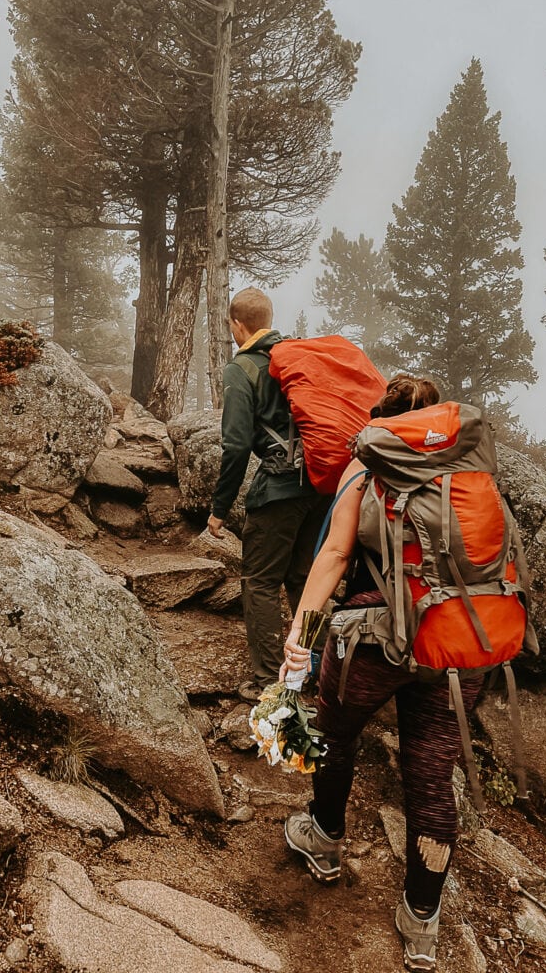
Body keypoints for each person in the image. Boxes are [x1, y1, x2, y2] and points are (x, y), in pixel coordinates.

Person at [280, 374, 486, 973]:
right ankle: (421, 921)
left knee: (333, 732)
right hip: (458, 647)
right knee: (430, 773)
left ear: (383, 421)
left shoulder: (368, 466)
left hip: (373, 641)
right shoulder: (469, 472)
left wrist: (302, 638)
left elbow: (336, 558)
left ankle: (323, 840)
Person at [207, 287, 330, 703]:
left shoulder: (242, 368)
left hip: (279, 488)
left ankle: (268, 681)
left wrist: (219, 510)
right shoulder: (298, 357)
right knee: (305, 580)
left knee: (259, 582)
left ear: (237, 324)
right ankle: (313, 671)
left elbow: (237, 444)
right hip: (321, 486)